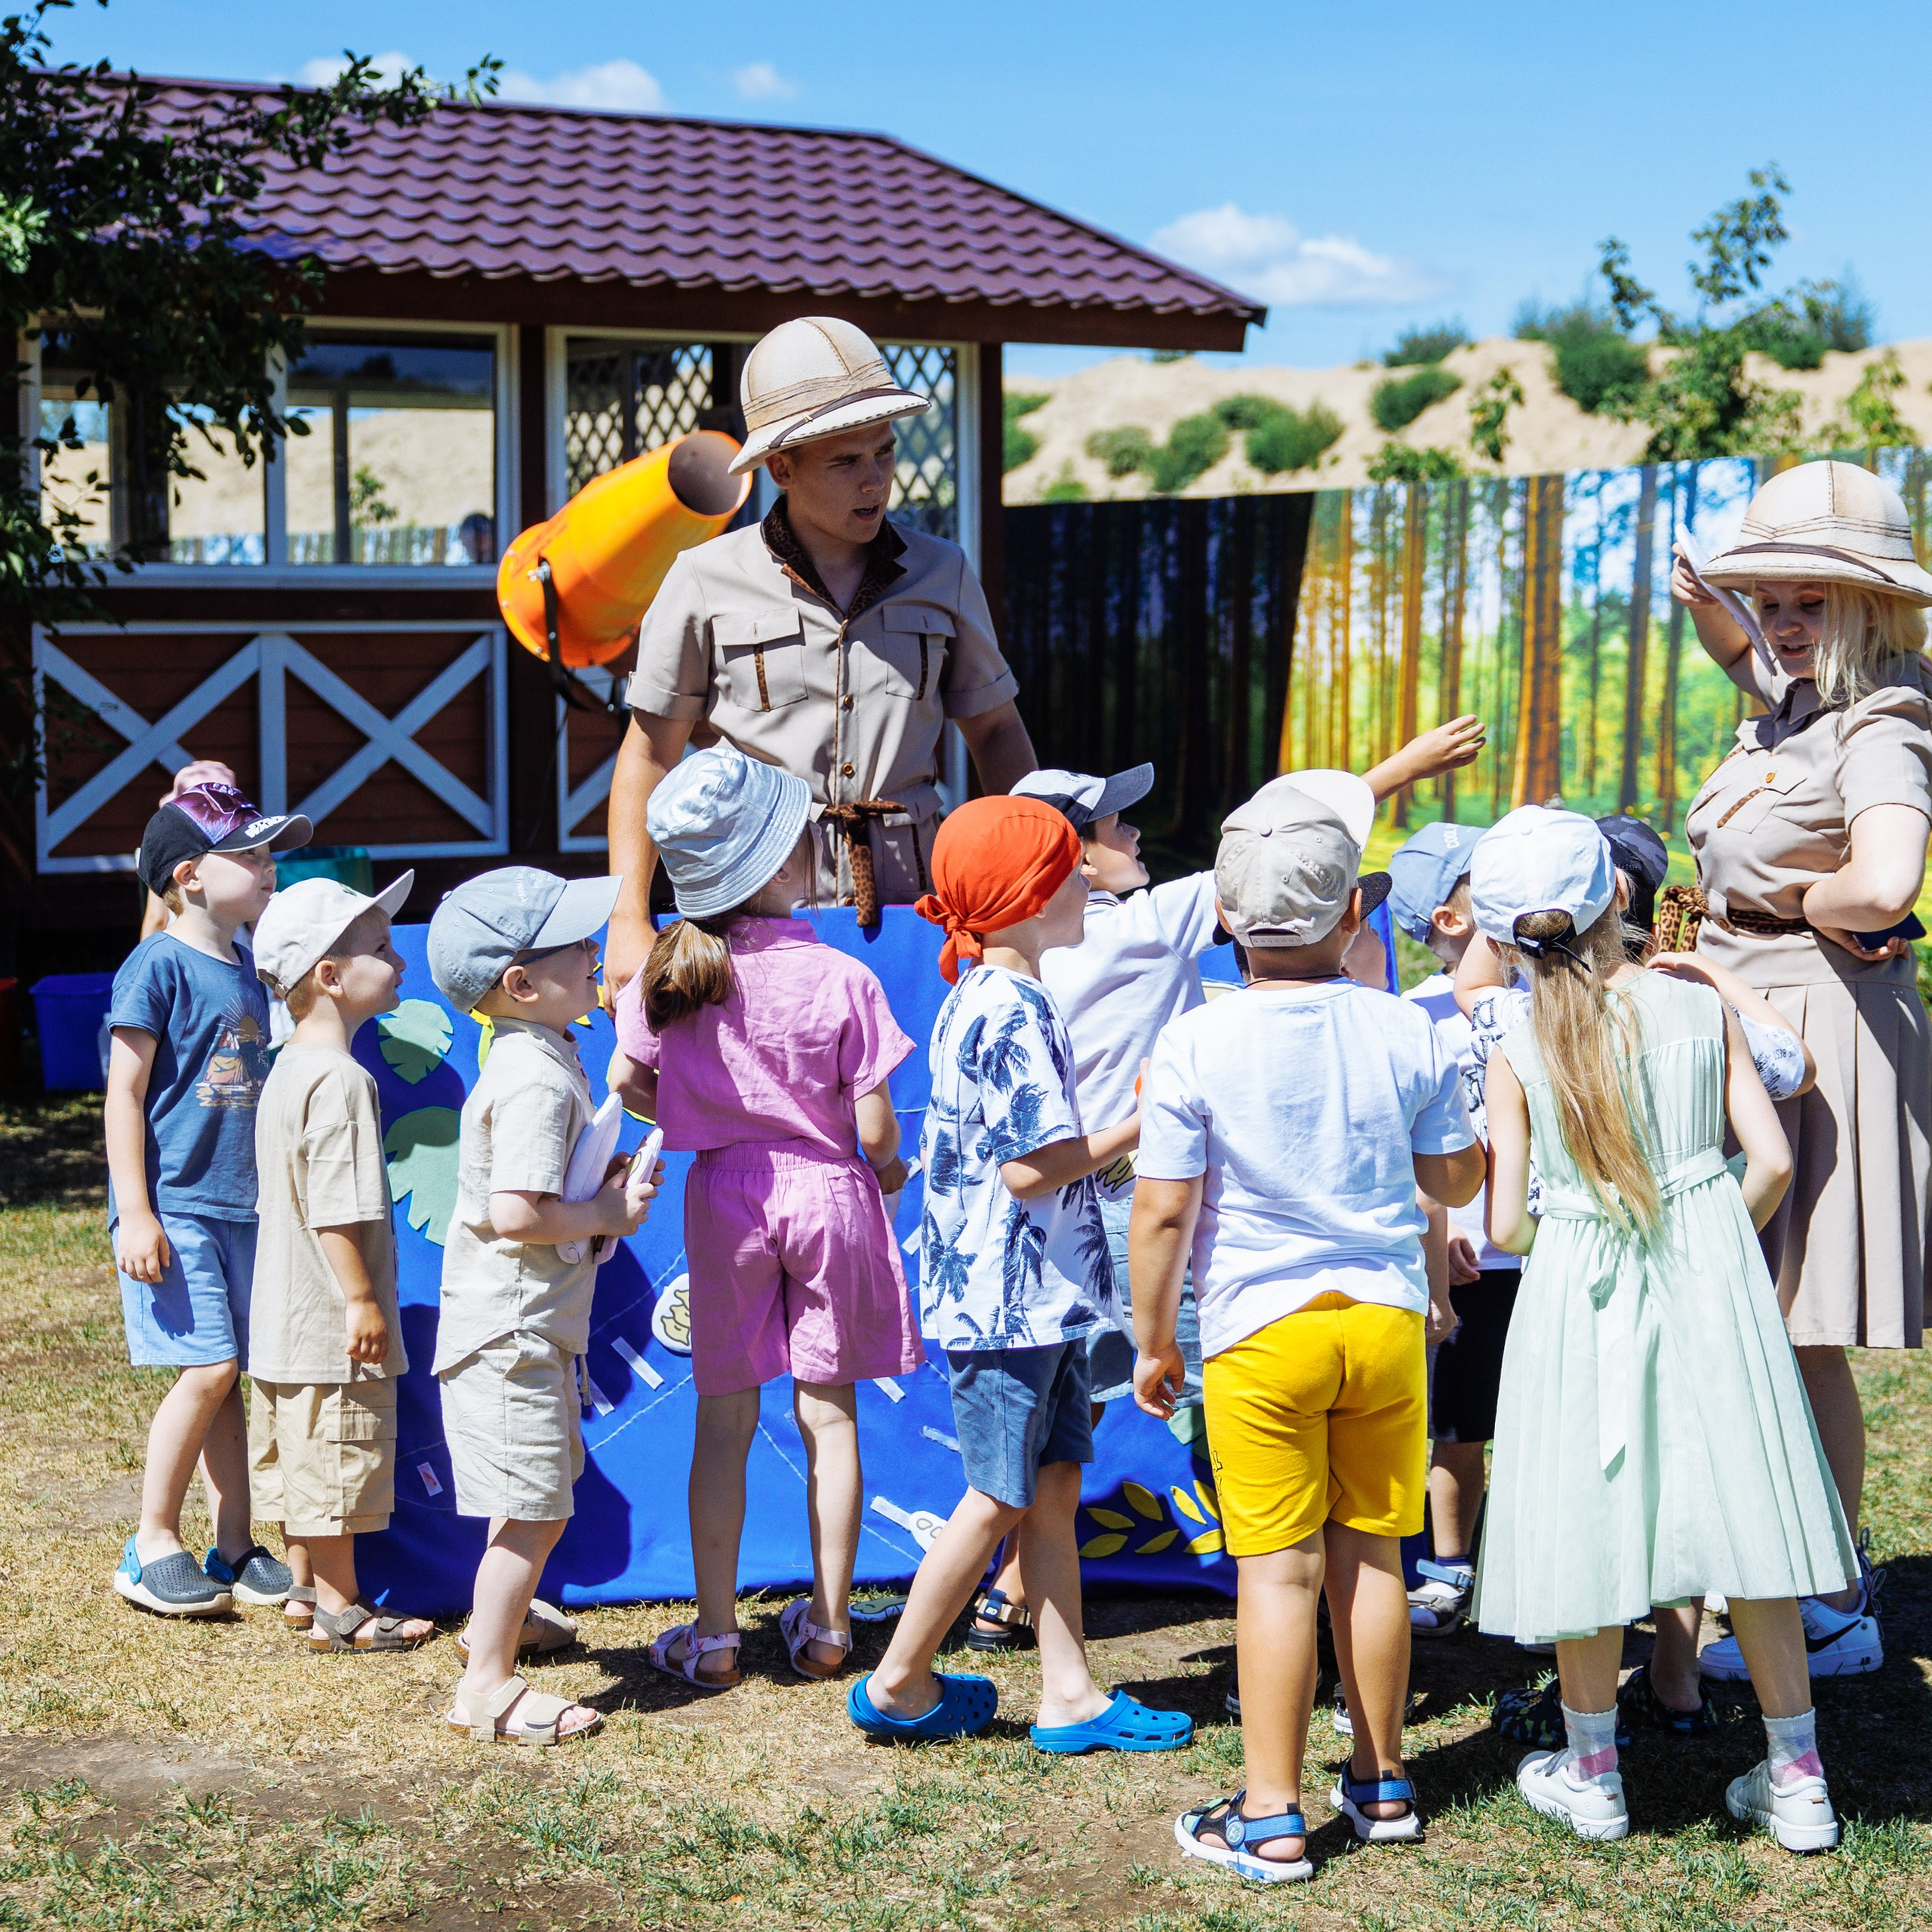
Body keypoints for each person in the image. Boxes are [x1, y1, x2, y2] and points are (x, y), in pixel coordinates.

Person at [968, 724, 1485, 1654]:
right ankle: (1279, 1568)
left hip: (1063, 1204)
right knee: (1214, 1383)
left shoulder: (1016, 958)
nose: (1134, 837)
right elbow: (1285, 853)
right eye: (1116, 825)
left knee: (1065, 1401)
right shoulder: (1141, 920)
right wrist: (1401, 769)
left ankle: (1008, 1589)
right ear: (1067, 853)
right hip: (1143, 1196)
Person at [1469, 807, 1854, 1854]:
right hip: (1708, 1268)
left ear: (1505, 938)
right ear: (1617, 900)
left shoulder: (1508, 1037)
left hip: (1576, 1281)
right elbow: (1771, 1160)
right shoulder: (1692, 1004)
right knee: (1751, 1518)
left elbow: (1505, 1221)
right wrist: (1714, 1230)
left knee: (1587, 1519)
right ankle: (1800, 1776)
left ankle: (1593, 1771)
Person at [1137, 776, 1483, 1884]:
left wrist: (1155, 1341)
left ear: (1228, 920)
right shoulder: (1403, 1027)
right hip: (1382, 1324)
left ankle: (1272, 1812)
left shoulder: (1194, 1042)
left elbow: (1163, 1210)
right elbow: (1455, 1175)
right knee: (1375, 1554)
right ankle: (1382, 1783)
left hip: (1257, 1331)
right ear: (1353, 916)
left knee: (1277, 1574)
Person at [846, 797, 1191, 1755]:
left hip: (1031, 1298)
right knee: (1000, 1491)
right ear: (1031, 895)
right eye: (1070, 865)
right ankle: (900, 1678)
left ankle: (1070, 1692)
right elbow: (1032, 1167)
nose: (1089, 875)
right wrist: (1140, 1122)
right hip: (1011, 1300)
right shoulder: (1012, 1005)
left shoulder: (985, 994)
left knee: (1048, 1483)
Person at [1673, 460, 1931, 1681]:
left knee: (1789, 1324)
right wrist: (1722, 620)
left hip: (1811, 1029)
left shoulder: (1882, 720)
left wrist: (1798, 901)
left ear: (1870, 611)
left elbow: (1887, 881)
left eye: (1810, 601)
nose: (1781, 620)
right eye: (1769, 597)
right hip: (1757, 1017)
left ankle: (1825, 1604)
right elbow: (1764, 673)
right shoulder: (1798, 703)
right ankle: (1801, 1579)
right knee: (1766, 1321)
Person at [605, 749, 924, 1689]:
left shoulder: (670, 971)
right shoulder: (838, 977)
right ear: (782, 865)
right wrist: (894, 1171)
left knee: (722, 1417)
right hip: (829, 1190)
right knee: (830, 1414)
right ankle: (828, 1629)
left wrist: (701, 1113)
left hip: (724, 1196)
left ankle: (712, 1635)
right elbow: (874, 1126)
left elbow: (628, 1078)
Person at [606, 316, 1038, 986]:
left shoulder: (943, 572)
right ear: (782, 467)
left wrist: (1025, 882)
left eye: (885, 453)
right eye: (845, 461)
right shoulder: (701, 580)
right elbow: (648, 754)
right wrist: (627, 919)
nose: (875, 480)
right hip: (754, 922)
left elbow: (998, 730)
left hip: (917, 918)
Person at [429, 868, 660, 1744]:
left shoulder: (544, 1051)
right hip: (510, 1333)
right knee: (535, 1507)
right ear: (519, 984)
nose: (597, 952)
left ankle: (505, 1618)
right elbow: (516, 1213)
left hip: (527, 1328)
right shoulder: (535, 1075)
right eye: (578, 946)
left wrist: (598, 1186)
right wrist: (606, 1211)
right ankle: (486, 1685)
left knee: (535, 1493)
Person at [105, 783, 315, 1617]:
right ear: (190, 875)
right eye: (252, 855)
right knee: (211, 1367)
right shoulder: (157, 964)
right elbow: (123, 1094)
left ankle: (234, 1543)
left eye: (270, 853)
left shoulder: (251, 966)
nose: (269, 868)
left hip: (245, 1207)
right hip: (179, 1205)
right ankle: (151, 1540)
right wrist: (139, 1209)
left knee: (233, 1374)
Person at [248, 872, 436, 1654]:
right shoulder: (344, 1080)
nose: (399, 960)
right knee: (336, 1457)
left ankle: (300, 1586)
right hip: (328, 1319)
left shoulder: (288, 1069)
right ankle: (340, 1607)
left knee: (303, 1454)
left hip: (283, 1318)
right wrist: (361, 1298)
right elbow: (337, 1205)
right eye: (382, 948)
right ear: (329, 976)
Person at [1387, 818, 1515, 1641]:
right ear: (1449, 918)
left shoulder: (1534, 999)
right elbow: (1401, 1144)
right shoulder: (1411, 1018)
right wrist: (1436, 1240)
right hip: (1463, 1256)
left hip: (1542, 1247)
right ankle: (1450, 1563)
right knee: (1455, 1425)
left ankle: (1530, 1559)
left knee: (1535, 1415)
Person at [138, 761, 239, 941]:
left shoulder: (166, 852)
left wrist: (142, 963)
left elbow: (156, 919)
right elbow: (257, 921)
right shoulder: (243, 851)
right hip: (236, 950)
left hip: (180, 946)